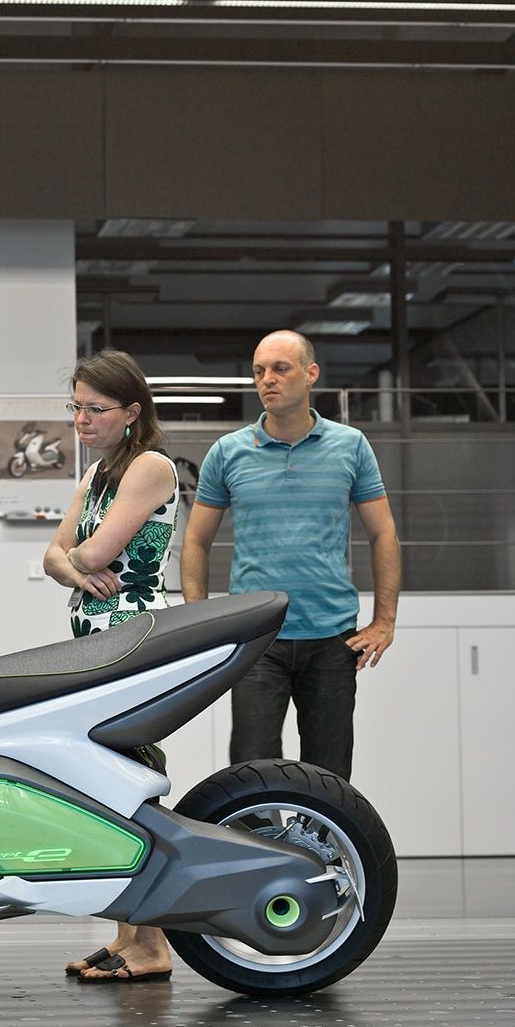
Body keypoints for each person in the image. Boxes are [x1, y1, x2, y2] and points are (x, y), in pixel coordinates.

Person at [180, 329, 401, 782]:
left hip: (332, 638)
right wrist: (200, 622)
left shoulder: (351, 445)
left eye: (280, 368)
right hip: (257, 638)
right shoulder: (228, 451)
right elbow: (195, 541)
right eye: (259, 371)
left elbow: (383, 533)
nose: (267, 380)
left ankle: (324, 852)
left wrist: (385, 621)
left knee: (331, 773)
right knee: (252, 771)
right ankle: (263, 853)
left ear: (310, 374)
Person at [43, 349, 177, 984]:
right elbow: (53, 557)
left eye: (95, 409)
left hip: (135, 642)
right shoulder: (97, 476)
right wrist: (71, 565)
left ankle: (152, 943)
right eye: (76, 407)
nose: (81, 419)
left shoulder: (150, 467)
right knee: (108, 786)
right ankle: (130, 935)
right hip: (98, 648)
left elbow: (92, 549)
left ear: (132, 412)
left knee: (134, 785)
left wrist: (72, 559)